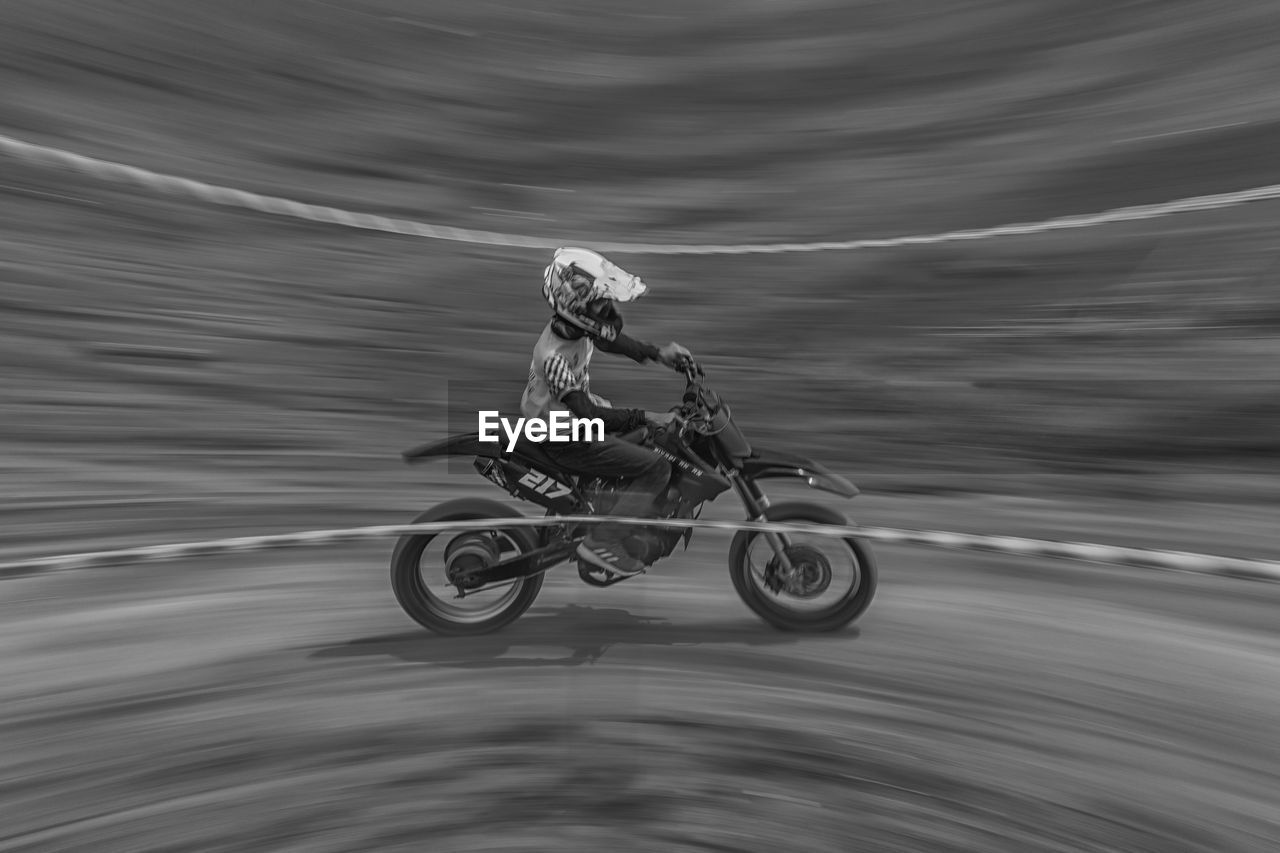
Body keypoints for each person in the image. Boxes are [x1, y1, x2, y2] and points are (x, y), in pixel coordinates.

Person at [521, 246, 692, 577]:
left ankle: (608, 512)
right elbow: (586, 415)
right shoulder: (554, 358)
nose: (608, 310)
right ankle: (602, 542)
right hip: (560, 432)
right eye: (601, 304)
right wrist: (645, 415)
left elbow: (610, 340)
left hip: (568, 420)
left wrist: (660, 354)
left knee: (649, 440)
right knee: (656, 467)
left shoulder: (575, 329)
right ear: (576, 307)